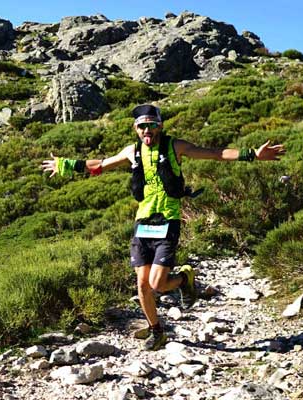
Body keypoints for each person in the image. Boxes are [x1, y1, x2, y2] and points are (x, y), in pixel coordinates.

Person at [40, 104, 286, 350]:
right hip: (143, 223)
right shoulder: (132, 151)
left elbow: (215, 153)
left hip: (167, 221)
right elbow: (101, 165)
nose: (147, 130)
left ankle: (183, 279)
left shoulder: (174, 146)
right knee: (142, 284)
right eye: (142, 126)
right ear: (136, 128)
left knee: (158, 284)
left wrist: (252, 153)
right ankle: (157, 331)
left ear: (160, 126)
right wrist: (66, 165)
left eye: (152, 125)